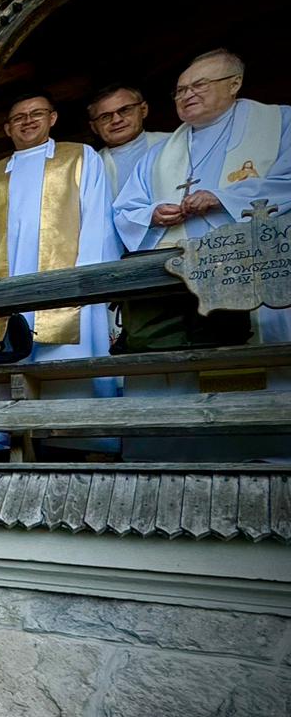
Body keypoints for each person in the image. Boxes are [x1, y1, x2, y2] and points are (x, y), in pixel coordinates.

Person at [113, 49, 290, 460]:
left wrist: (226, 196)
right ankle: (175, 451)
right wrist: (152, 213)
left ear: (234, 84)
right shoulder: (160, 153)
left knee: (252, 359)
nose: (187, 95)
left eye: (199, 85)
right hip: (178, 282)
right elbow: (126, 208)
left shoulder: (278, 123)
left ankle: (263, 448)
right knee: (178, 365)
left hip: (251, 265)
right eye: (179, 90)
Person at [0, 92, 119, 452]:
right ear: (6, 128)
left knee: (69, 364)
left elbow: (97, 220)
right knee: (15, 359)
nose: (28, 121)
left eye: (37, 114)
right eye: (19, 117)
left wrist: (89, 279)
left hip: (70, 283)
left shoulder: (78, 157)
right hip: (9, 289)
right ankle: (17, 440)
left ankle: (82, 441)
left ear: (53, 118)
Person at [89, 84, 168, 202]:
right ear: (94, 127)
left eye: (125, 110)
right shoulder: (90, 167)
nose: (116, 120)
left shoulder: (175, 143)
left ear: (143, 110)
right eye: (105, 117)